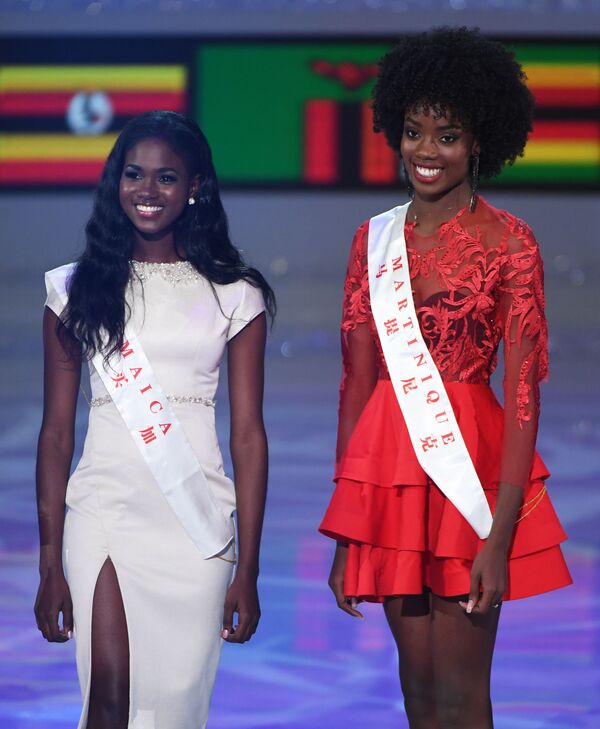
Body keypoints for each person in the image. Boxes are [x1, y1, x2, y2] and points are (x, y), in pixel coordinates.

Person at [320, 27, 571, 729]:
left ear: (480, 140)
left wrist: (498, 535)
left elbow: (523, 398)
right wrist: (348, 535)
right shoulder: (370, 242)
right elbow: (356, 389)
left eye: (448, 134)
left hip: (470, 476)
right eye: (414, 131)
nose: (427, 150)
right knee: (420, 695)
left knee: (463, 698)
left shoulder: (511, 243)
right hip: (393, 481)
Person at [34, 110, 274, 729]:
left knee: (169, 713)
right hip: (105, 509)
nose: (147, 191)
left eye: (167, 178)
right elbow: (57, 434)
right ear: (116, 182)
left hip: (194, 522)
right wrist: (49, 561)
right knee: (108, 701)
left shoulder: (235, 294)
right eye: (134, 174)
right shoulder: (75, 290)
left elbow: (248, 436)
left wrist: (248, 567)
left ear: (195, 187)